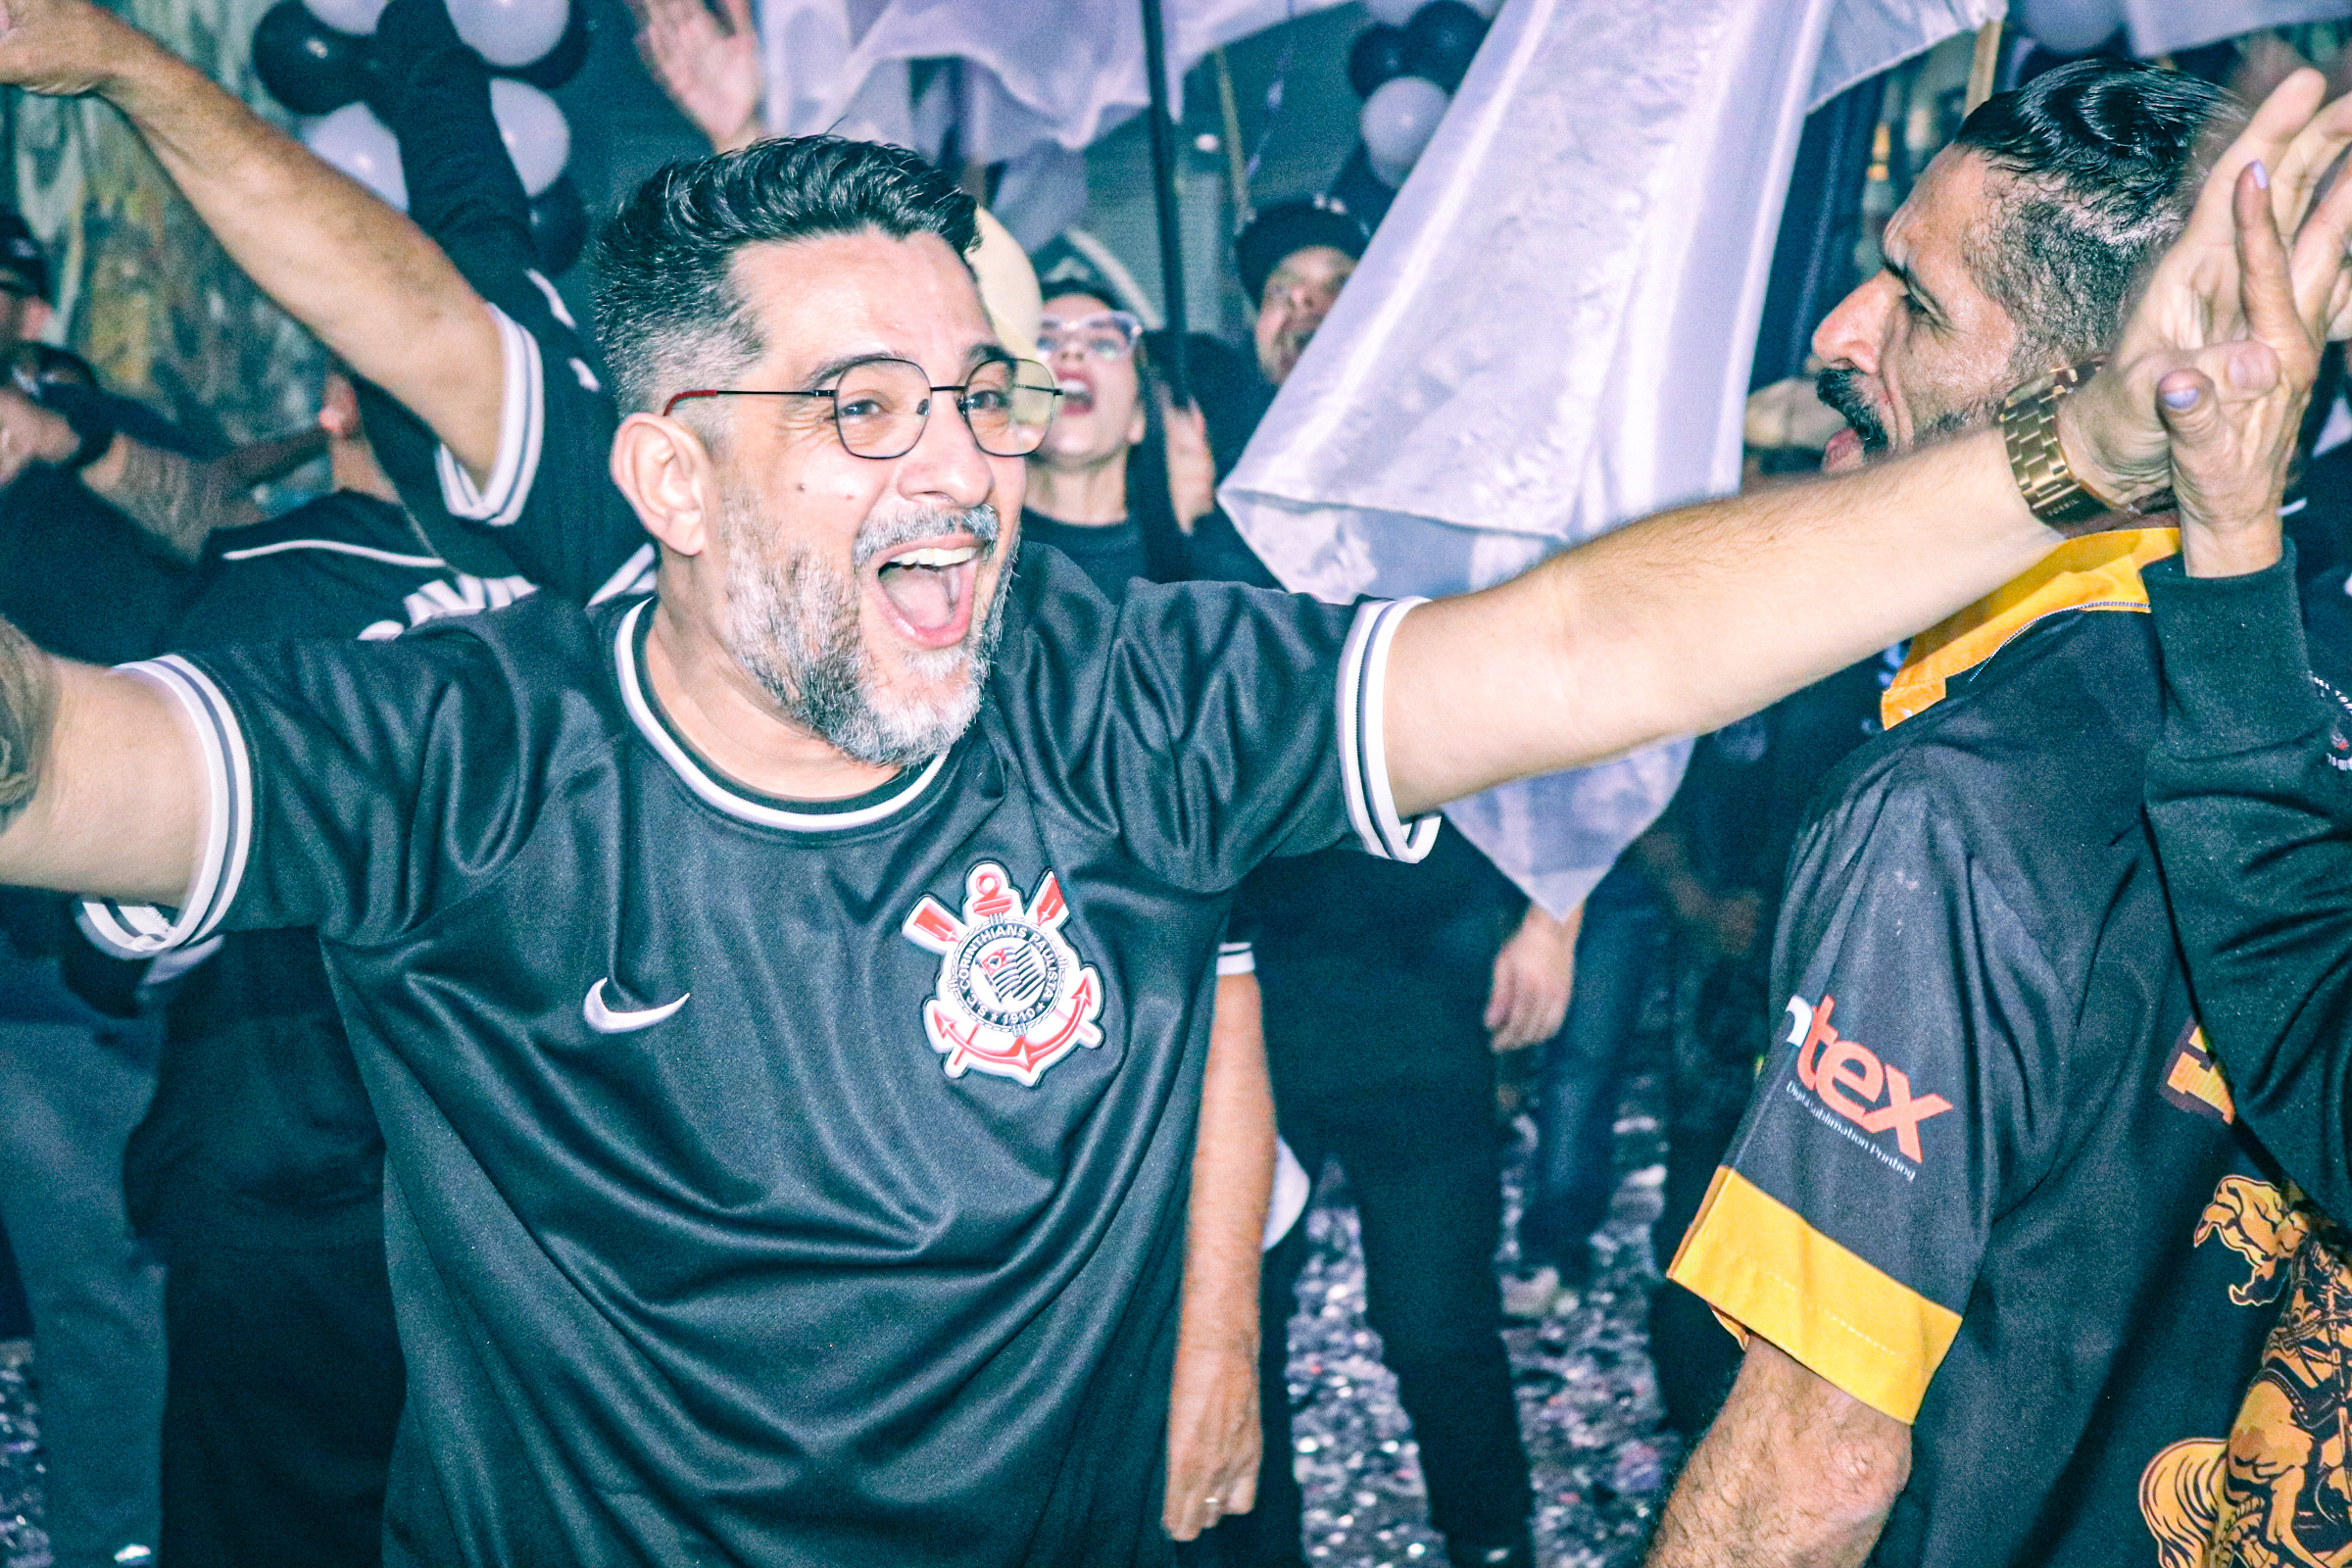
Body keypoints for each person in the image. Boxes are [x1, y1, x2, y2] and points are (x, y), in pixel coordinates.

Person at [0, 47, 2326, 1568]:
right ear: (671, 477)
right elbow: (63, 761)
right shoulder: (462, 749)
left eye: (981, 394)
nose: (961, 467)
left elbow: (1577, 649)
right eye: (865, 407)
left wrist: (2088, 445)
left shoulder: (1119, 691)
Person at [1645, 61, 2351, 1568]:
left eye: (1915, 300)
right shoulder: (2293, 699)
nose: (1841, 333)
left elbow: (1816, 1465)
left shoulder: (1946, 816)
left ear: (2100, 384)